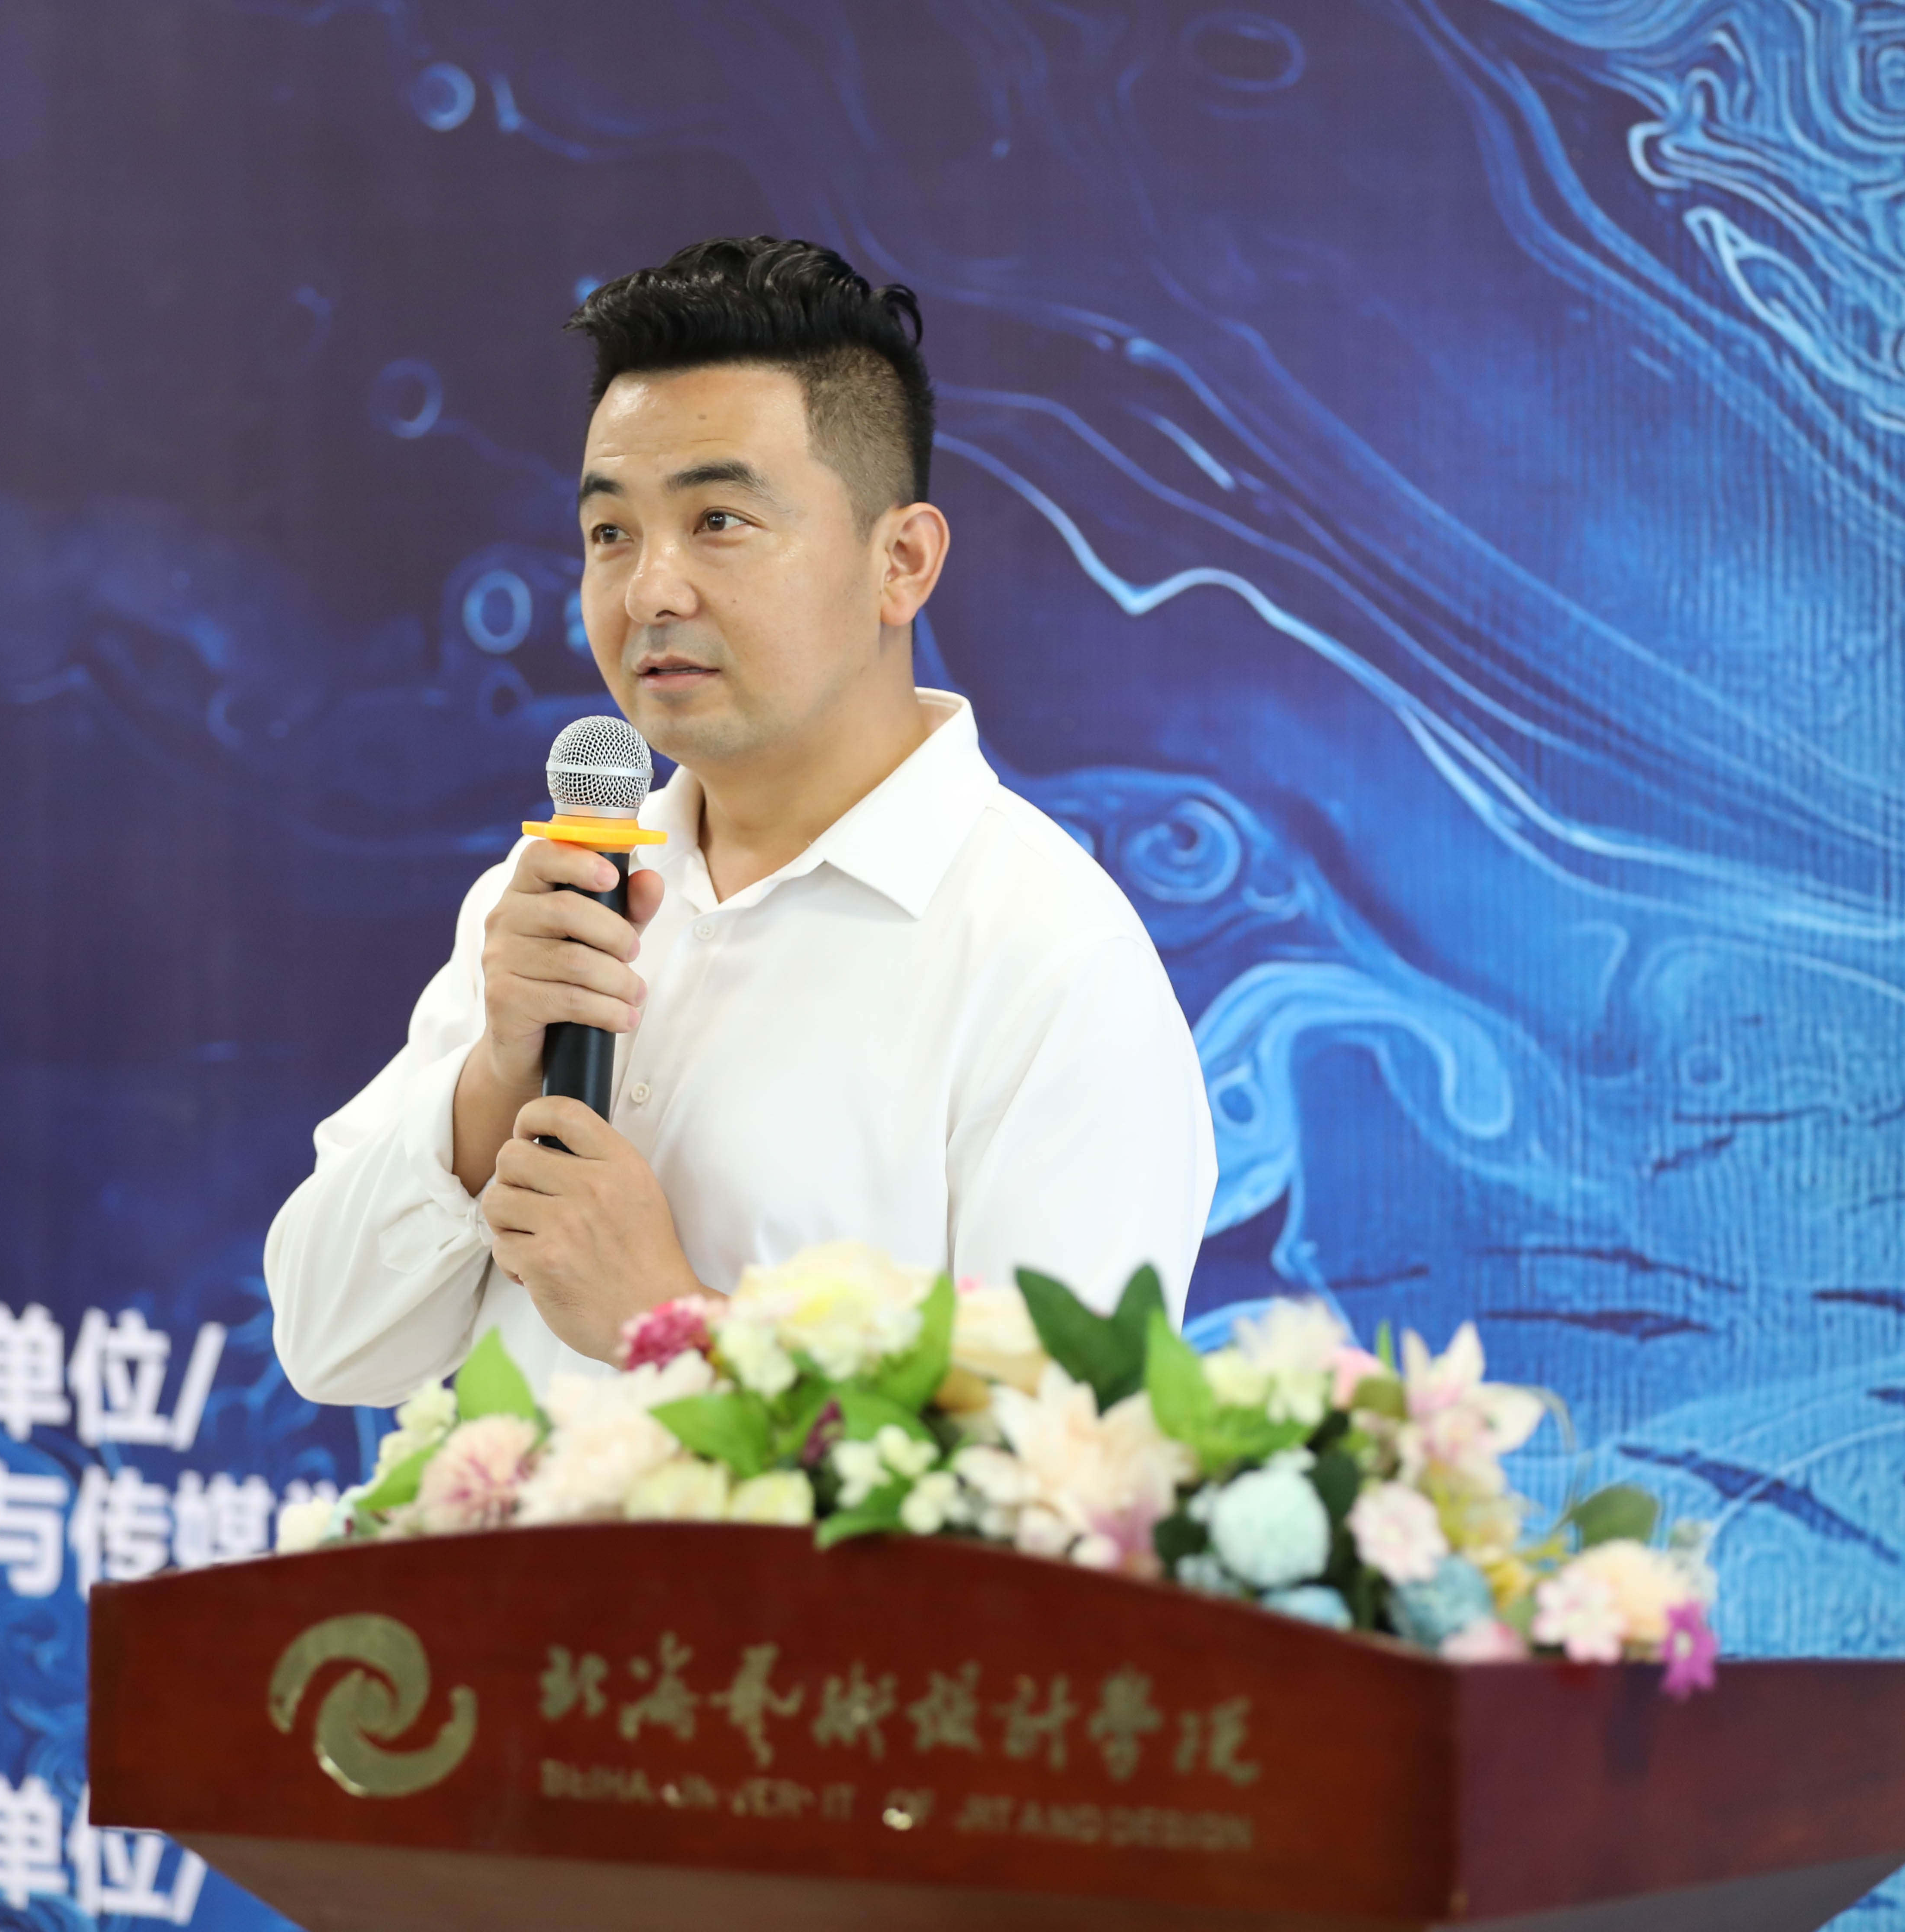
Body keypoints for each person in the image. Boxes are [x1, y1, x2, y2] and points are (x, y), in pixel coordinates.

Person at [264, 236, 1214, 1405]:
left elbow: (1071, 1466)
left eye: (718, 520)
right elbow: (328, 1345)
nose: (650, 590)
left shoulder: (1050, 963)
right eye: (611, 533)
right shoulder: (559, 901)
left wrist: (679, 1328)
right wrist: (495, 1078)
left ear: (902, 562)